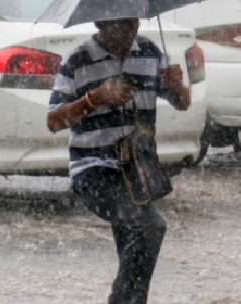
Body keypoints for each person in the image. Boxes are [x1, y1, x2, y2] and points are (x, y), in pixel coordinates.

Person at [47, 18, 190, 304]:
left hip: (138, 170)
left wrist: (177, 87)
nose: (130, 30)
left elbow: (182, 102)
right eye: (121, 25)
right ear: (102, 23)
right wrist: (95, 98)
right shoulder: (77, 60)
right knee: (148, 227)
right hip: (94, 169)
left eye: (134, 22)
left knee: (135, 250)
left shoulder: (149, 52)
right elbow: (53, 121)